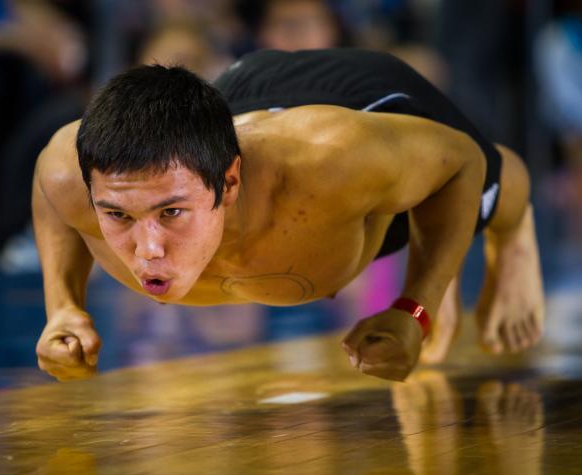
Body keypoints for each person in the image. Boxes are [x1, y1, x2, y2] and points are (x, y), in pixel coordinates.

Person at [33, 48, 545, 382]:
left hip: (362, 102)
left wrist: (416, 309)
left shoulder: (332, 162)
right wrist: (61, 307)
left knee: (492, 191)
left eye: (171, 212)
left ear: (228, 183)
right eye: (118, 215)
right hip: (241, 101)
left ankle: (514, 237)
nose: (148, 250)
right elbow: (49, 185)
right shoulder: (69, 172)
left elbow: (463, 164)